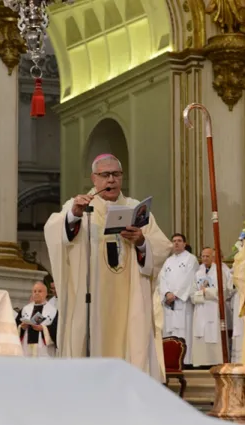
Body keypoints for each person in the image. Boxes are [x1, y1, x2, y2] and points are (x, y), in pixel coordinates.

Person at [44, 154, 172, 381]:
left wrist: (141, 241)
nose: (111, 180)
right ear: (94, 179)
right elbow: (56, 233)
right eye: (105, 175)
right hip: (92, 299)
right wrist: (73, 216)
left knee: (130, 341)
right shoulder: (80, 207)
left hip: (128, 298)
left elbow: (161, 248)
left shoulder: (136, 209)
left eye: (116, 174)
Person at [159, 233, 199, 366]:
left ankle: (185, 361)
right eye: (174, 241)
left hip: (183, 303)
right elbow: (162, 279)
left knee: (184, 331)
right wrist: (166, 294)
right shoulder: (168, 261)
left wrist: (176, 294)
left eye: (179, 241)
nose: (176, 243)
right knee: (169, 331)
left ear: (185, 243)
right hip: (169, 304)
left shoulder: (191, 259)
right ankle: (170, 361)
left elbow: (189, 279)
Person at [190, 247, 232, 367]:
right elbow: (192, 293)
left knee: (214, 333)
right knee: (200, 334)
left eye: (207, 256)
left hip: (214, 308)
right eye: (202, 256)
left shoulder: (219, 272)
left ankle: (215, 361)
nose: (204, 258)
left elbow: (224, 291)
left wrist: (207, 292)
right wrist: (200, 294)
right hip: (201, 308)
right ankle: (201, 362)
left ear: (213, 257)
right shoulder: (198, 273)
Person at [15, 282, 58, 358]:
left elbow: (56, 330)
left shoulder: (53, 311)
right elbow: (14, 327)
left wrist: (43, 328)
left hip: (44, 349)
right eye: (34, 291)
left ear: (46, 293)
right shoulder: (25, 309)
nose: (37, 293)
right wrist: (21, 328)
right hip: (26, 347)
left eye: (40, 291)